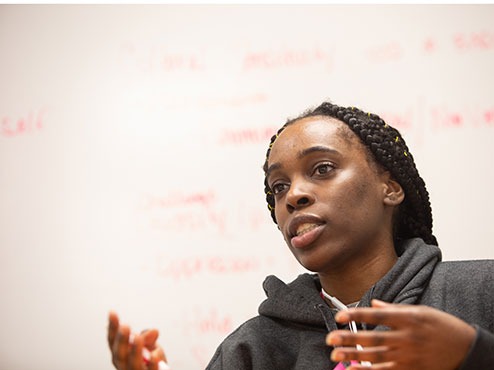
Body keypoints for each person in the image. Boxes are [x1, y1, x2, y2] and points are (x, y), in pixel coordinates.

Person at [107, 101, 494, 370]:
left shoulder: (481, 291)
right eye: (278, 187)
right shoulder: (251, 349)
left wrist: (475, 355)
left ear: (389, 188)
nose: (293, 195)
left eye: (323, 168)